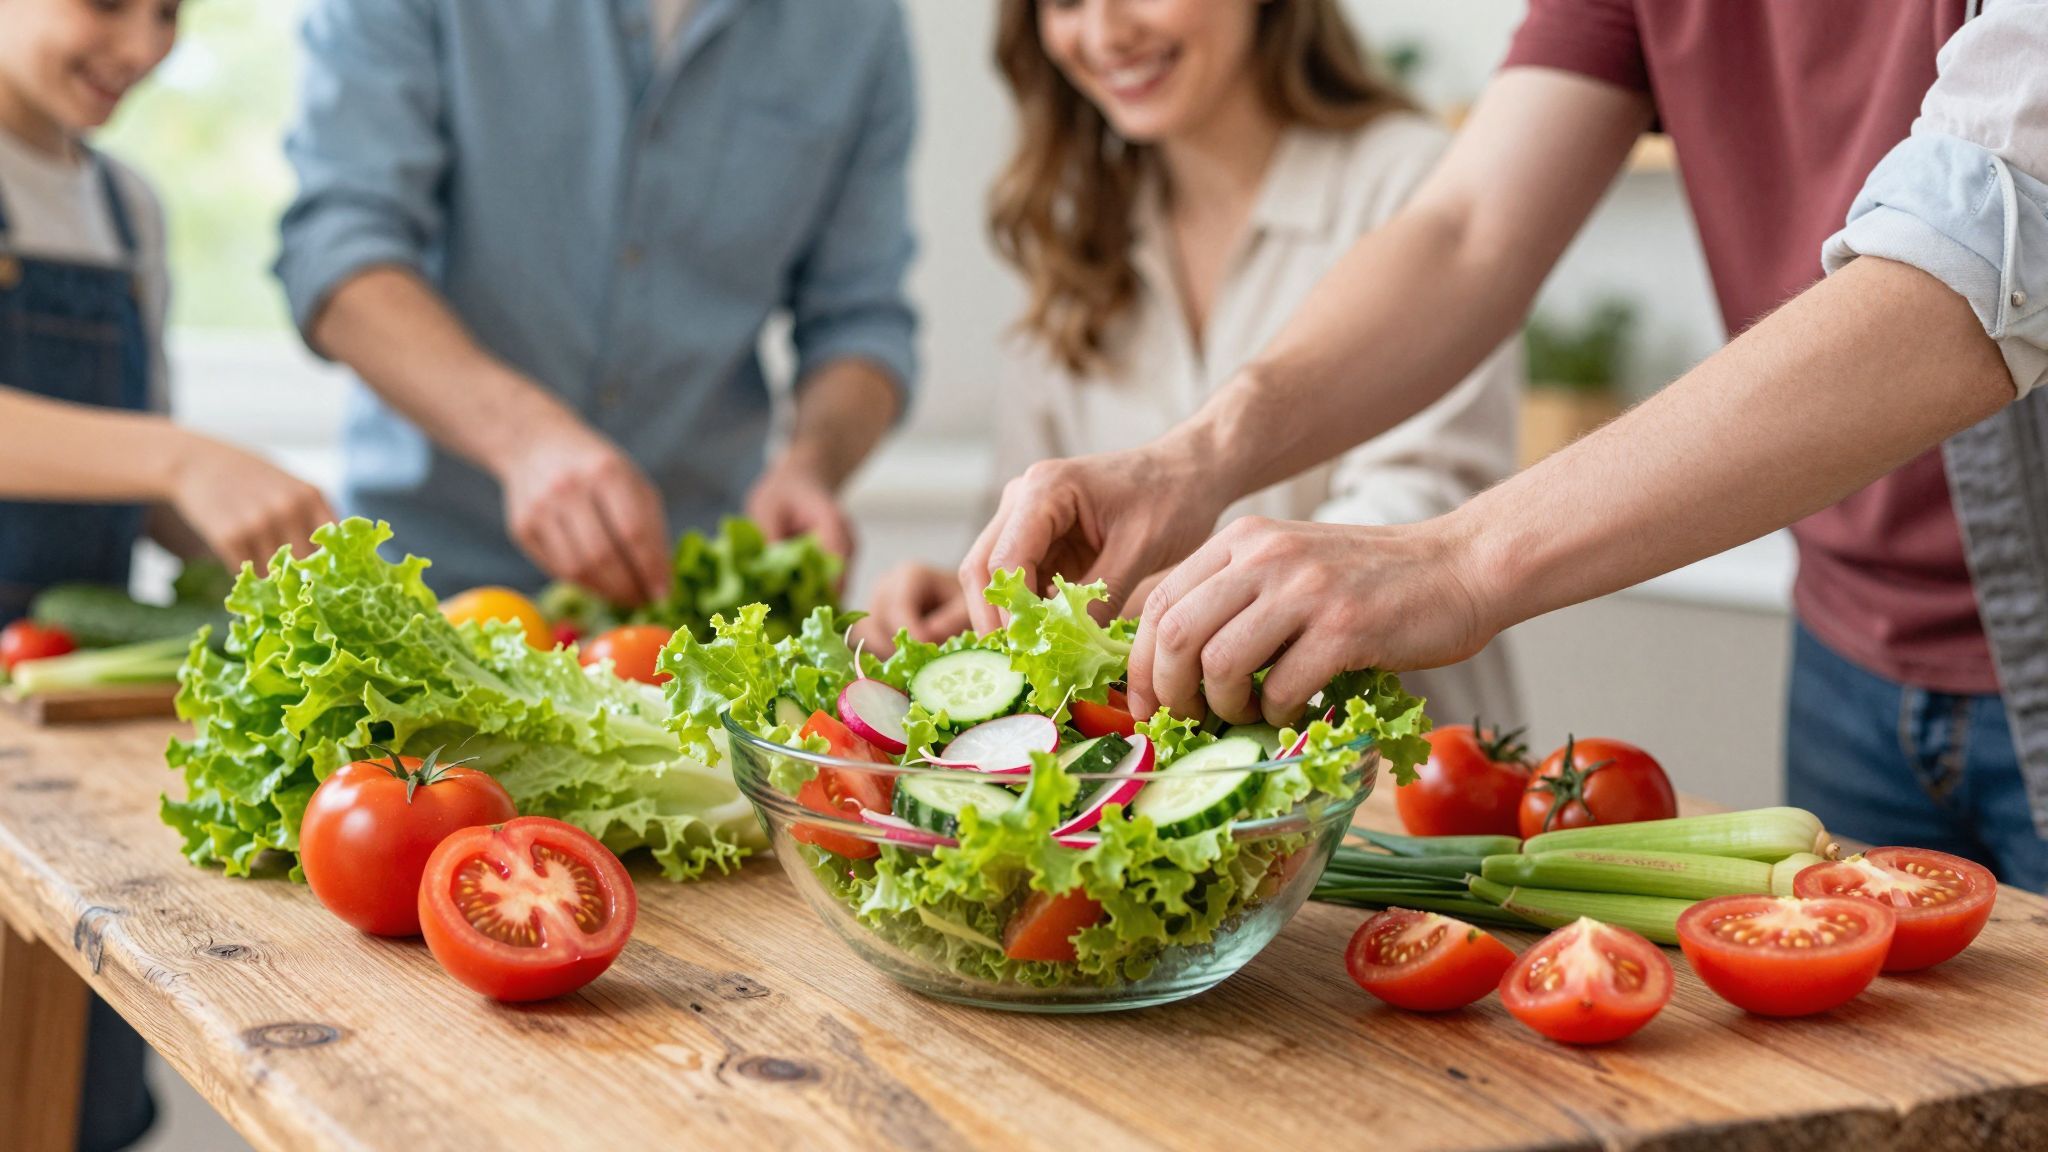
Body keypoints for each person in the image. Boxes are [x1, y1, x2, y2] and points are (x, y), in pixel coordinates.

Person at [962, 0, 2048, 888]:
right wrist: (1189, 459)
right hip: (1850, 643)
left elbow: (1972, 264)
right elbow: (1468, 230)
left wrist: (1455, 560)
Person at [860, 0, 1522, 722]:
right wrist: (968, 606)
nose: (1106, 33)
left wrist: (1086, 609)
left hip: (1393, 800)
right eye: (1065, 1)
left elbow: (1407, 523)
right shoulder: (1078, 229)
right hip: (1154, 803)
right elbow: (1031, 525)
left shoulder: (1416, 183)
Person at [275, 0, 919, 604]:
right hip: (426, 581)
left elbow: (860, 320)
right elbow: (338, 253)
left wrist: (810, 466)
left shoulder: (858, 24)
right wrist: (525, 440)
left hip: (679, 602)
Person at [0, 1, 336, 1148]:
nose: (143, 46)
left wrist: (248, 535)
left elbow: (133, 472)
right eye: (107, 2)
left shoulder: (123, 205)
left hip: (64, 744)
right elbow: (150, 448)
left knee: (71, 1090)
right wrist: (180, 454)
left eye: (170, 11)